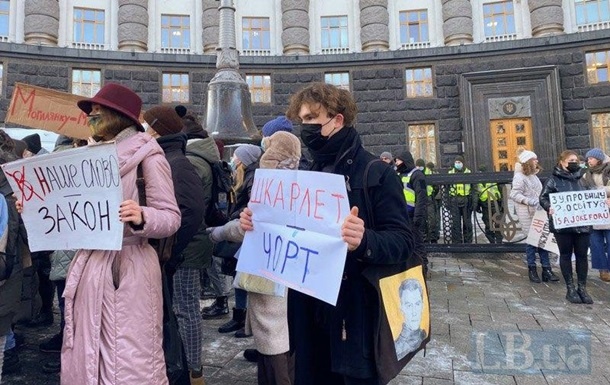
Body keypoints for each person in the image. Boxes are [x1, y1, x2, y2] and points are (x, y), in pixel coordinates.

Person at [241, 83, 415, 384]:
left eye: (312, 118)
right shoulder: (305, 172)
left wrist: (365, 240)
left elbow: (404, 241)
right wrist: (257, 223)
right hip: (308, 315)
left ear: (338, 119)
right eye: (303, 119)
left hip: (356, 317)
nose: (306, 126)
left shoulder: (376, 172)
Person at [58, 83, 181, 384]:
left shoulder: (150, 157)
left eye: (98, 109)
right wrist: (35, 210)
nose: (92, 114)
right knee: (88, 354)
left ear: (119, 116)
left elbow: (171, 216)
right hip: (89, 268)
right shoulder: (86, 158)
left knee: (129, 360)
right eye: (91, 110)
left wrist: (142, 217)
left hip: (129, 271)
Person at [210, 130, 301, 385]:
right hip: (294, 275)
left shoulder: (269, 187)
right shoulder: (303, 185)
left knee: (272, 342)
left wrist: (216, 233)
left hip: (267, 274)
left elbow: (245, 228)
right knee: (286, 340)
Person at [143, 105, 206, 385]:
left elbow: (192, 211)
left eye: (147, 126)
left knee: (183, 311)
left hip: (180, 255)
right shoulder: (166, 158)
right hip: (174, 255)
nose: (143, 131)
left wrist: (170, 248)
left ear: (156, 129)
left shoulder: (178, 163)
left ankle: (190, 371)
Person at [217, 144, 262, 337]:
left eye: (236, 157)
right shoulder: (243, 177)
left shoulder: (252, 179)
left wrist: (235, 215)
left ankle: (244, 319)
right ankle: (240, 316)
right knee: (239, 276)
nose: (234, 160)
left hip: (246, 233)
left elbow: (249, 206)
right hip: (240, 228)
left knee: (244, 277)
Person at [540, 150, 592, 304]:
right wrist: (549, 207)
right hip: (563, 225)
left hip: (582, 224)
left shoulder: (583, 179)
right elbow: (543, 197)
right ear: (562, 162)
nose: (574, 162)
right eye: (571, 160)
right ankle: (570, 288)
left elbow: (591, 195)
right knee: (566, 254)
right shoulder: (553, 180)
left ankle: (582, 287)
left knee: (582, 256)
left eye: (576, 159)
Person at [509, 150, 559, 283]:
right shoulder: (519, 177)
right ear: (528, 161)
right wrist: (529, 201)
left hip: (538, 211)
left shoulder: (533, 176)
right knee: (532, 242)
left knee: (542, 240)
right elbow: (514, 194)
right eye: (534, 159)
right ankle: (532, 269)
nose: (537, 161)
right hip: (527, 213)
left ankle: (546, 269)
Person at [395, 150, 428, 274]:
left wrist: (418, 216)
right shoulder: (400, 175)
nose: (396, 163)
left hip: (412, 215)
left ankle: (422, 269)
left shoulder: (417, 175)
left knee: (417, 244)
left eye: (398, 160)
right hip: (402, 216)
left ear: (405, 161)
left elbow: (421, 197)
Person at [582, 148, 610, 282]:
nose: (589, 161)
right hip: (593, 213)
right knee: (595, 242)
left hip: (608, 211)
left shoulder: (608, 170)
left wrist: (599, 190)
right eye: (588, 159)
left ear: (598, 159)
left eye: (591, 158)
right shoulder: (586, 174)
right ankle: (602, 270)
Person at [394, 279, 427, 361]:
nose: (414, 312)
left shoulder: (423, 334)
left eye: (417, 304)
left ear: (422, 306)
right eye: (409, 306)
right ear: (402, 308)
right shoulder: (398, 348)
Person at [448, 155, 474, 243]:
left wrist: (473, 201)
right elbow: (446, 188)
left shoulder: (468, 172)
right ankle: (457, 242)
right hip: (454, 199)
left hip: (466, 199)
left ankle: (468, 241)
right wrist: (447, 201)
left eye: (459, 162)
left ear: (463, 163)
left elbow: (473, 188)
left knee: (467, 223)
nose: (457, 164)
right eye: (456, 162)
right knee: (456, 223)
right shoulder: (450, 173)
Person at [476, 165, 503, 244]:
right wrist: (477, 205)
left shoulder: (493, 178)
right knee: (488, 224)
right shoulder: (479, 181)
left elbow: (501, 189)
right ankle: (492, 242)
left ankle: (498, 241)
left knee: (498, 223)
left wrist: (502, 203)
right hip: (485, 204)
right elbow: (477, 193)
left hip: (495, 203)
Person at [424, 162, 440, 243]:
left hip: (430, 198)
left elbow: (436, 187)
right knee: (431, 219)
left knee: (432, 219)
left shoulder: (430, 173)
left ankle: (431, 237)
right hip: (428, 198)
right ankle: (430, 238)